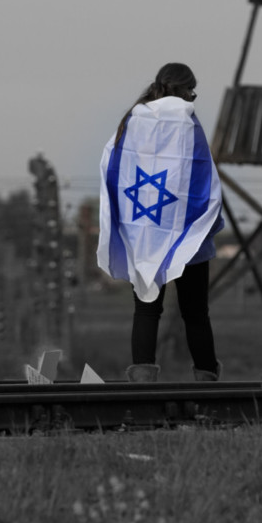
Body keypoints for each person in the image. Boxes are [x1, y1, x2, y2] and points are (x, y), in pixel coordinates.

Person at [97, 62, 225, 383]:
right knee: (195, 313)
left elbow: (113, 168)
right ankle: (207, 383)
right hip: (187, 236)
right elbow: (203, 176)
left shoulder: (130, 122)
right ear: (186, 90)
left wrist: (123, 222)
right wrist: (210, 223)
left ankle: (142, 384)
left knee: (146, 309)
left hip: (144, 234)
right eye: (192, 92)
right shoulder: (188, 123)